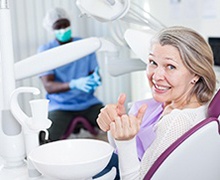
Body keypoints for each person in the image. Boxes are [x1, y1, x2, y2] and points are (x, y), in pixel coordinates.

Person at [97, 26, 216, 179]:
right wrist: (117, 125)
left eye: (171, 66)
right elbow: (119, 151)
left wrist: (125, 141)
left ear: (196, 74)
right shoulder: (168, 103)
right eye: (153, 62)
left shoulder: (177, 122)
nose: (156, 75)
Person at [38, 7, 103, 142]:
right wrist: (74, 84)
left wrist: (95, 80)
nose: (63, 29)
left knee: (113, 124)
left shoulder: (85, 46)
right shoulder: (46, 51)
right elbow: (49, 86)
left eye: (65, 25)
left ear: (70, 23)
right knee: (46, 138)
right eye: (58, 27)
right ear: (52, 29)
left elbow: (94, 75)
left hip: (88, 103)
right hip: (61, 106)